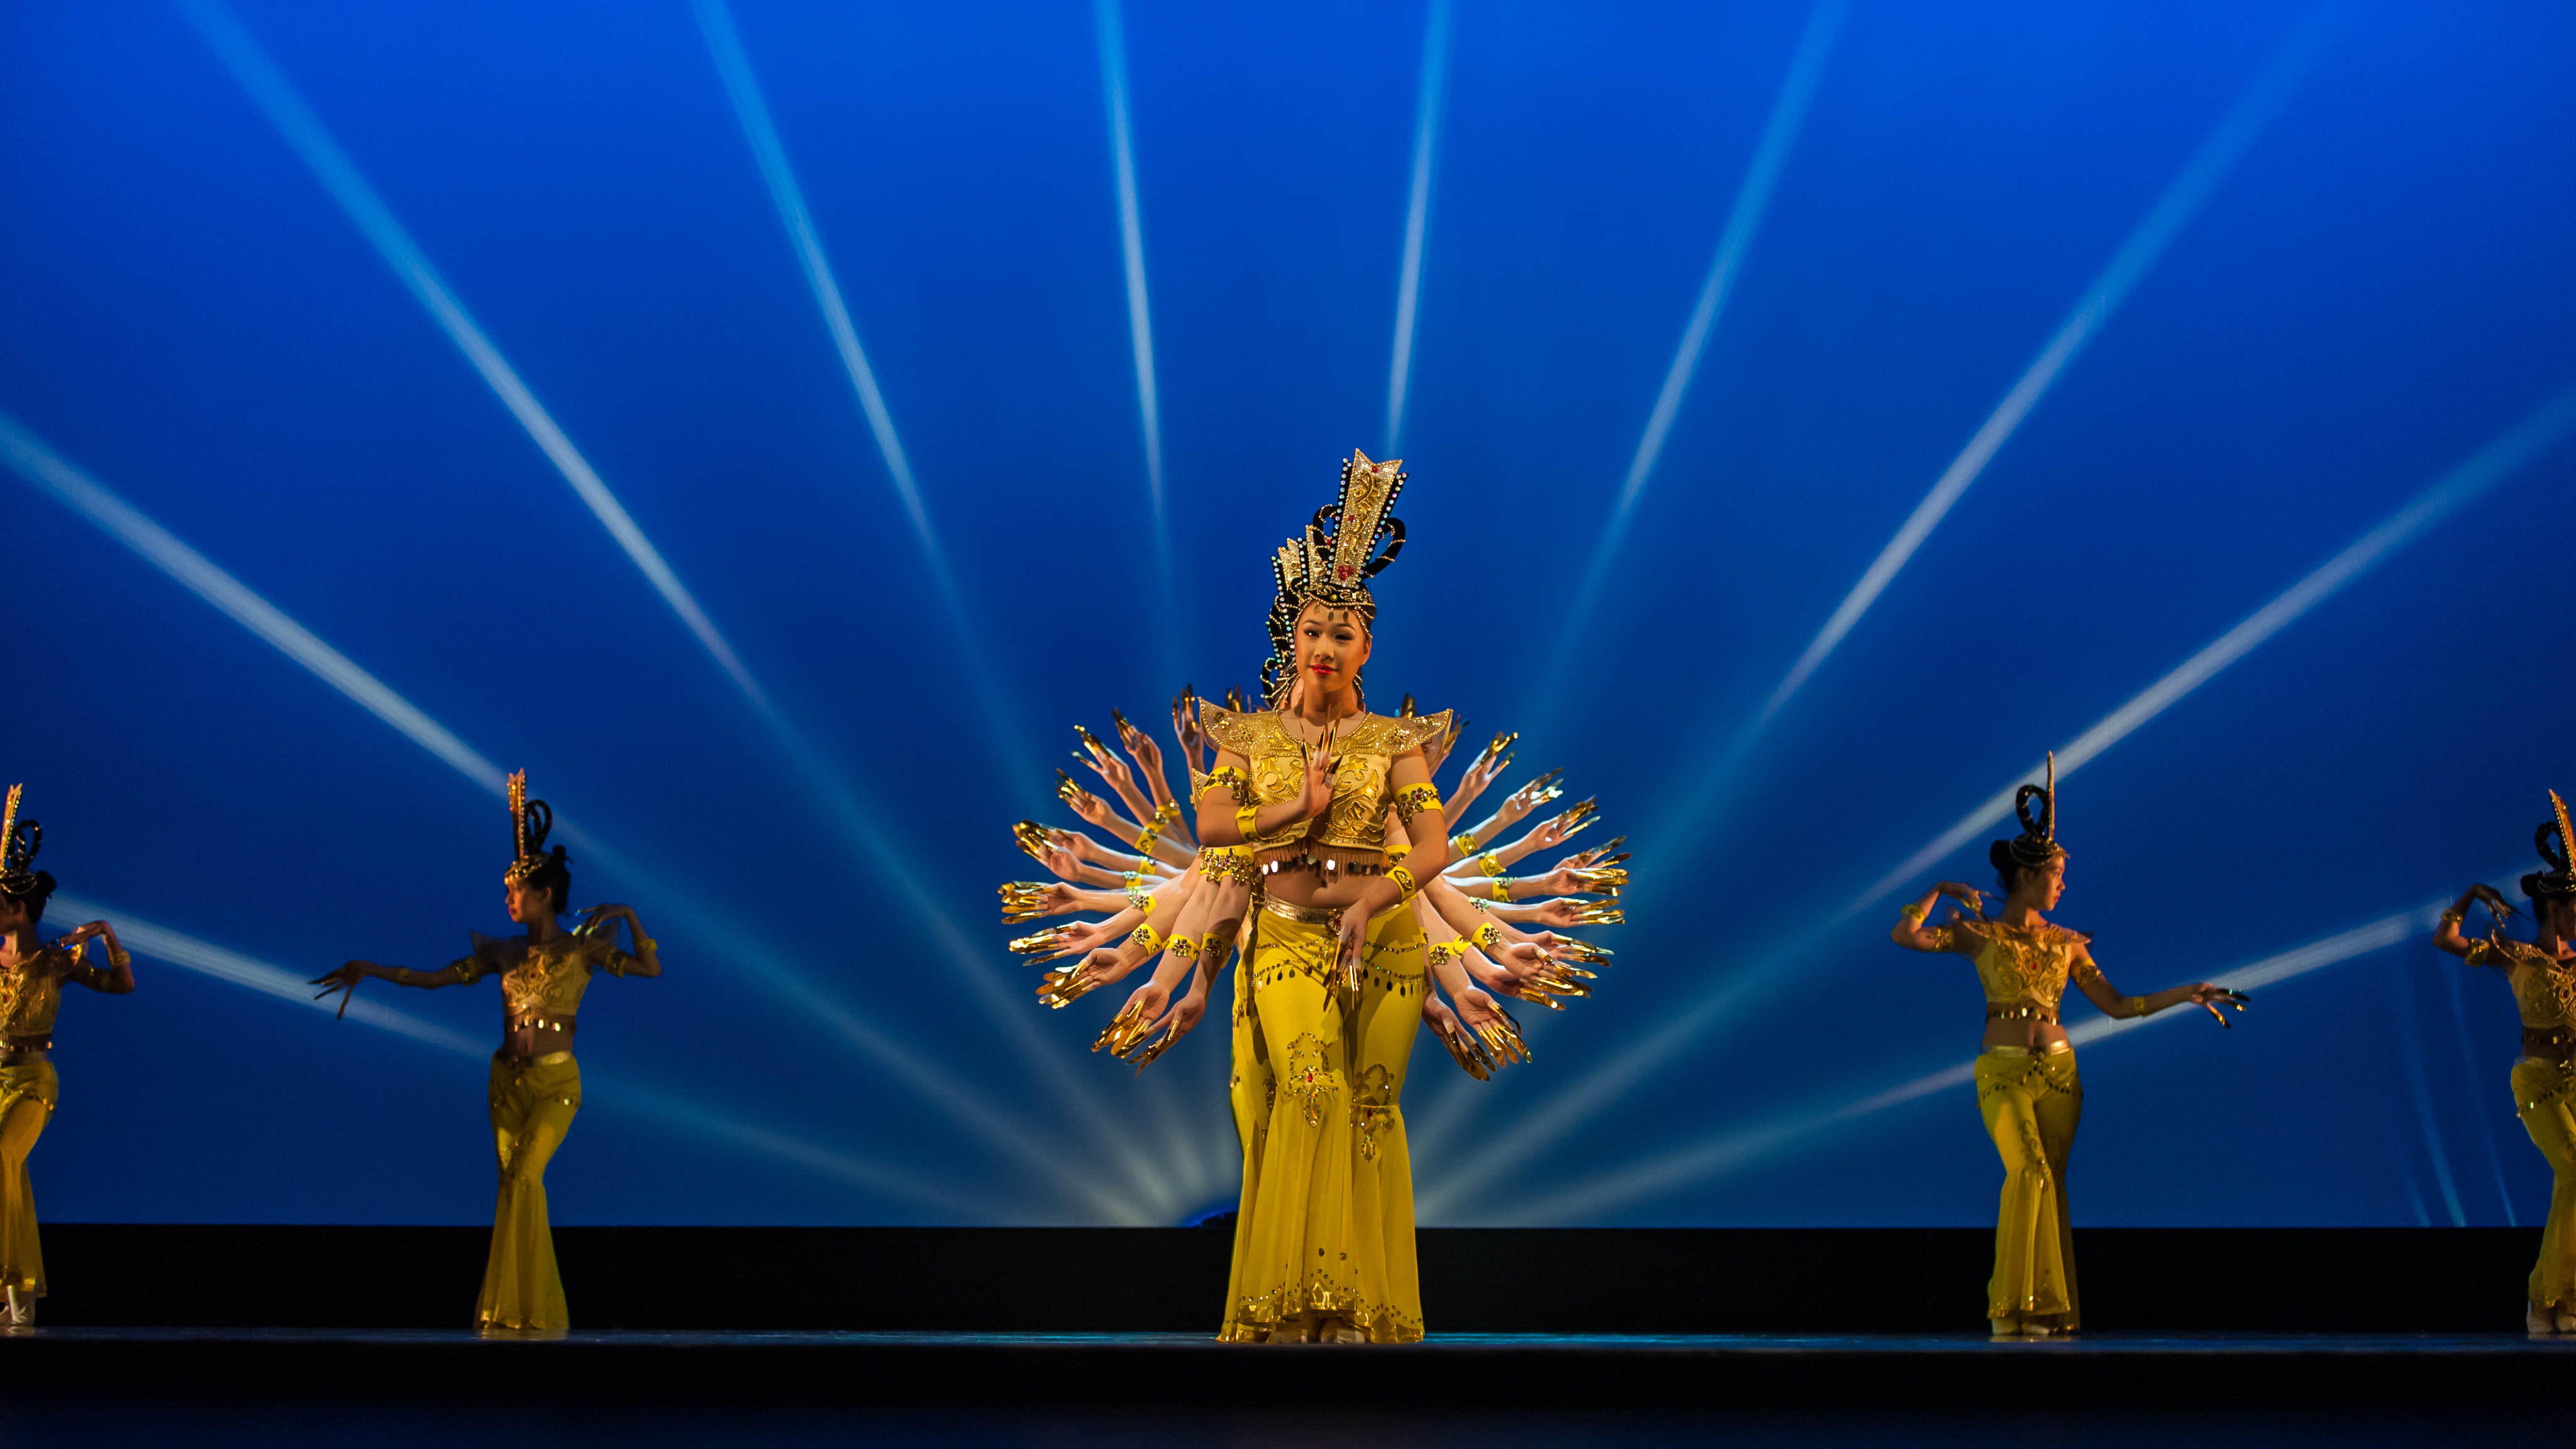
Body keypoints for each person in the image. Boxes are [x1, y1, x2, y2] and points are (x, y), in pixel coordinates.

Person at [994, 451, 1624, 1342]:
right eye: (1314, 633)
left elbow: (1436, 843)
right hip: (1287, 936)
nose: (1326, 648)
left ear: (1368, 648)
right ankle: (1285, 1305)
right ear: (1293, 640)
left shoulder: (1399, 739)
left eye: (1345, 635)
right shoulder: (1244, 736)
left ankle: (1361, 1311)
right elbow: (1213, 830)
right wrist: (1298, 806)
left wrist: (1378, 901)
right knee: (1310, 1087)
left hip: (1391, 935)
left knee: (1372, 1104)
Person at [1890, 755, 2243, 1336]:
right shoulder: (1979, 934)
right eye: (2057, 874)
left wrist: (2187, 993)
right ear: (2028, 876)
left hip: (2060, 1076)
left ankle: (2045, 1310)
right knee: (2026, 1171)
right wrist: (1940, 887)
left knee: (2049, 1181)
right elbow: (1906, 934)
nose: (2062, 883)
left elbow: (2118, 1005)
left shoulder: (2069, 943)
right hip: (2001, 1073)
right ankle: (2010, 1310)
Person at [311, 771, 660, 1335]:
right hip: (505, 1084)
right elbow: (431, 980)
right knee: (510, 1186)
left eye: (515, 891)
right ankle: (507, 1313)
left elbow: (650, 967)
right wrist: (369, 969)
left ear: (543, 894)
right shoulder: (502, 953)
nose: (508, 900)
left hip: (556, 1085)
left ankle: (537, 1312)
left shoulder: (583, 951)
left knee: (525, 1177)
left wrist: (630, 917)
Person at [2433, 790, 2576, 1335]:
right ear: (2557, 907)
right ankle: (2546, 1297)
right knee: (2572, 1170)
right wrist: (2470, 893)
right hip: (2537, 1078)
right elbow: (2445, 938)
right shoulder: (2517, 956)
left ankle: (2561, 1303)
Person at [0, 785, 136, 1327]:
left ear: (19, 910)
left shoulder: (56, 960)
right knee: (10, 1175)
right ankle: (21, 1299)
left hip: (35, 1081)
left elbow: (120, 985)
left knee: (1, 1160)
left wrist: (106, 934)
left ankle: (10, 1284)